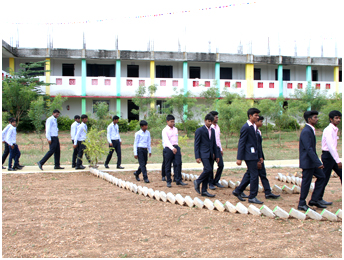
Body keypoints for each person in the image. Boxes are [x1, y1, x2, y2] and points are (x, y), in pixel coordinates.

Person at [239, 116, 280, 199]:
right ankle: (241, 191)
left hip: (258, 156)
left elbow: (258, 146)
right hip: (253, 157)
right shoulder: (249, 129)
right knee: (252, 175)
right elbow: (244, 144)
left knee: (261, 174)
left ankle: (267, 192)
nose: (261, 123)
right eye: (260, 121)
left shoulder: (258, 131)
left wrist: (261, 157)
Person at [232, 108, 263, 204]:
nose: (257, 117)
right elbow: (242, 143)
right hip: (249, 155)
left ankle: (238, 191)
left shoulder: (254, 126)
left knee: (250, 173)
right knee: (254, 175)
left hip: (254, 154)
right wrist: (239, 158)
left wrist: (260, 155)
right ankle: (252, 197)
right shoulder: (246, 127)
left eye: (258, 116)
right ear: (250, 116)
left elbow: (256, 143)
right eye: (256, 115)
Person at [297, 110, 326, 211]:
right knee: (306, 182)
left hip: (312, 162)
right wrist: (318, 162)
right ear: (309, 119)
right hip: (308, 162)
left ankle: (314, 199)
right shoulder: (306, 131)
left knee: (322, 177)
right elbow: (308, 148)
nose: (317, 119)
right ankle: (301, 203)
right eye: (315, 117)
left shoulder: (310, 130)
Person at [193, 113, 220, 197]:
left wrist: (217, 155)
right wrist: (197, 156)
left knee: (209, 172)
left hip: (211, 154)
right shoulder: (199, 130)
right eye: (208, 121)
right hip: (203, 153)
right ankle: (197, 181)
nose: (210, 123)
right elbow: (196, 144)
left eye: (211, 122)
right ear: (205, 121)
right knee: (207, 169)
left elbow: (214, 144)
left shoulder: (213, 130)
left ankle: (204, 190)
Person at [319, 110, 342, 205]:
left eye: (340, 118)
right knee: (324, 178)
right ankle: (317, 198)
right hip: (328, 156)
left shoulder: (334, 129)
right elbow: (331, 146)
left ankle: (318, 198)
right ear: (331, 119)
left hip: (331, 156)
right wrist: (338, 160)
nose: (339, 120)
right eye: (336, 118)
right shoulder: (329, 130)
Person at [162, 114, 187, 188]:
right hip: (168, 148)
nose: (173, 123)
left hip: (176, 147)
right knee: (168, 165)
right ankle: (168, 181)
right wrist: (172, 148)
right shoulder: (165, 130)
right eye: (171, 122)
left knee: (178, 163)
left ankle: (178, 180)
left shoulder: (175, 129)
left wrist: (176, 147)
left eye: (173, 122)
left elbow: (176, 139)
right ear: (167, 121)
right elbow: (166, 141)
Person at [208, 111, 225, 189]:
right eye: (216, 117)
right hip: (211, 149)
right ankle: (210, 183)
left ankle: (216, 181)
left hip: (217, 148)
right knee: (210, 166)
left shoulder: (217, 127)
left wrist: (220, 149)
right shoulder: (209, 127)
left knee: (221, 165)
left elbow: (218, 139)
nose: (217, 118)